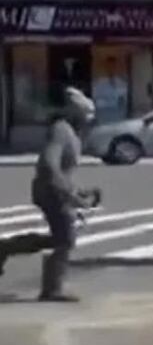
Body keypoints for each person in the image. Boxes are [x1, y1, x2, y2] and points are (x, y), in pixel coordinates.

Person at [0, 87, 99, 301]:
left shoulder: (71, 133)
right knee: (65, 239)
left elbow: (64, 171)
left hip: (56, 190)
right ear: (75, 114)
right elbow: (49, 164)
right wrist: (71, 195)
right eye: (86, 116)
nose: (89, 121)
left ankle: (6, 248)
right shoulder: (61, 130)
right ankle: (52, 288)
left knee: (60, 237)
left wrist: (81, 191)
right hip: (50, 191)